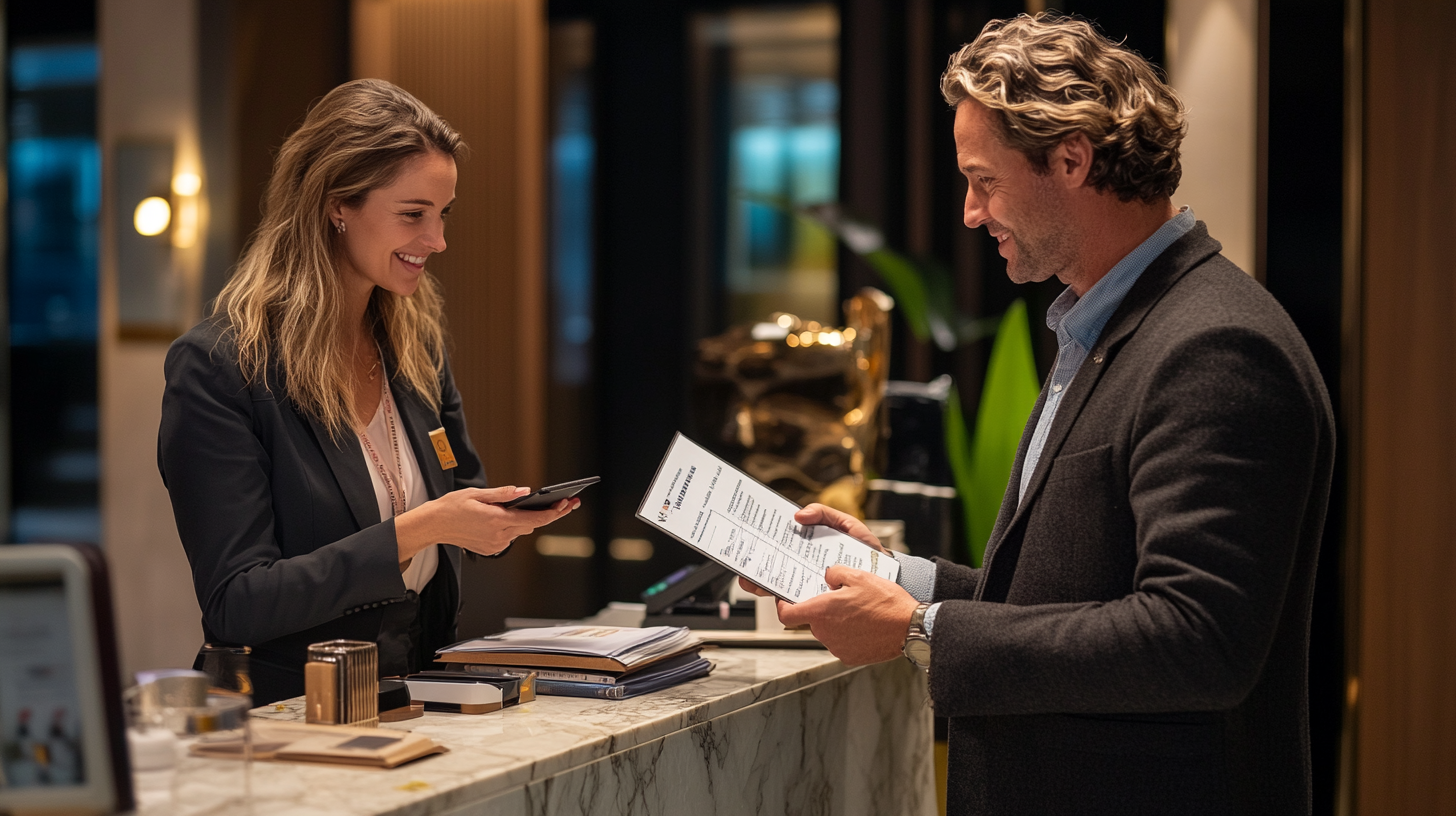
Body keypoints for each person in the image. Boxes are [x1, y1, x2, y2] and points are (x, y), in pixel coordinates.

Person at [744, 14, 1334, 816]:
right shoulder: (1105, 326)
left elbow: (1197, 639)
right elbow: (1063, 592)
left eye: (983, 179)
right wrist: (894, 576)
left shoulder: (1215, 345)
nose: (969, 212)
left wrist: (922, 629)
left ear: (1071, 158)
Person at [158, 79, 578, 705]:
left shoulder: (415, 349)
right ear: (336, 205)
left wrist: (493, 519)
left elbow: (457, 493)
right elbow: (236, 603)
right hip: (286, 718)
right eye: (413, 214)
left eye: (442, 214)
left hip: (416, 700)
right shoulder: (221, 368)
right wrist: (422, 528)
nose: (436, 241)